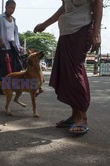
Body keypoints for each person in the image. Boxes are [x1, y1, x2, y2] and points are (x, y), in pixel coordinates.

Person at [33, 0, 103, 135]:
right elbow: (64, 7)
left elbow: (98, 3)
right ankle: (74, 116)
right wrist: (45, 24)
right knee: (66, 74)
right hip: (66, 32)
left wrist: (96, 32)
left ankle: (82, 117)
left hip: (81, 30)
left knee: (75, 72)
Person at [0, 0, 23, 95]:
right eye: (10, 8)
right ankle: (2, 88)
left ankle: (11, 86)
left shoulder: (13, 19)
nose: (12, 10)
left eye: (14, 8)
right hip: (3, 47)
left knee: (16, 66)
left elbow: (15, 35)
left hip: (13, 46)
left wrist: (19, 46)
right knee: (4, 68)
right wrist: (1, 41)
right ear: (6, 7)